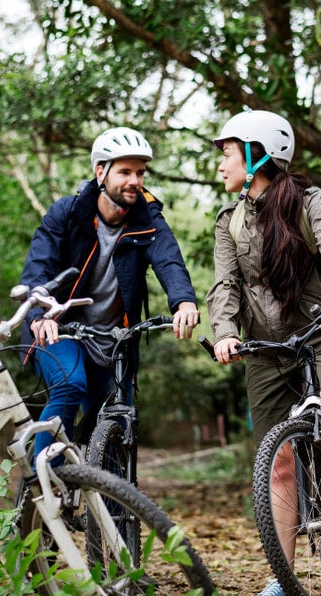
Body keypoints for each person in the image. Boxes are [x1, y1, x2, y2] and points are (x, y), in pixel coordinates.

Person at [205, 109, 321, 596]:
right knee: (279, 465)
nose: (221, 164)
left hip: (320, 332)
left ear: (257, 154)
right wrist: (224, 333)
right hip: (265, 349)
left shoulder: (308, 202)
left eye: (228, 153)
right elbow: (226, 286)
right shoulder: (230, 221)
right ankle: (284, 575)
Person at [20, 127, 199, 459]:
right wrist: (38, 315)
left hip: (114, 340)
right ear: (100, 171)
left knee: (117, 423)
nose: (134, 180)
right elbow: (37, 269)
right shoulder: (67, 214)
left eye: (140, 173)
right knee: (70, 386)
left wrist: (184, 301)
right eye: (125, 171)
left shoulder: (148, 219)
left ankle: (113, 507)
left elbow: (169, 260)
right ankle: (45, 489)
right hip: (61, 330)